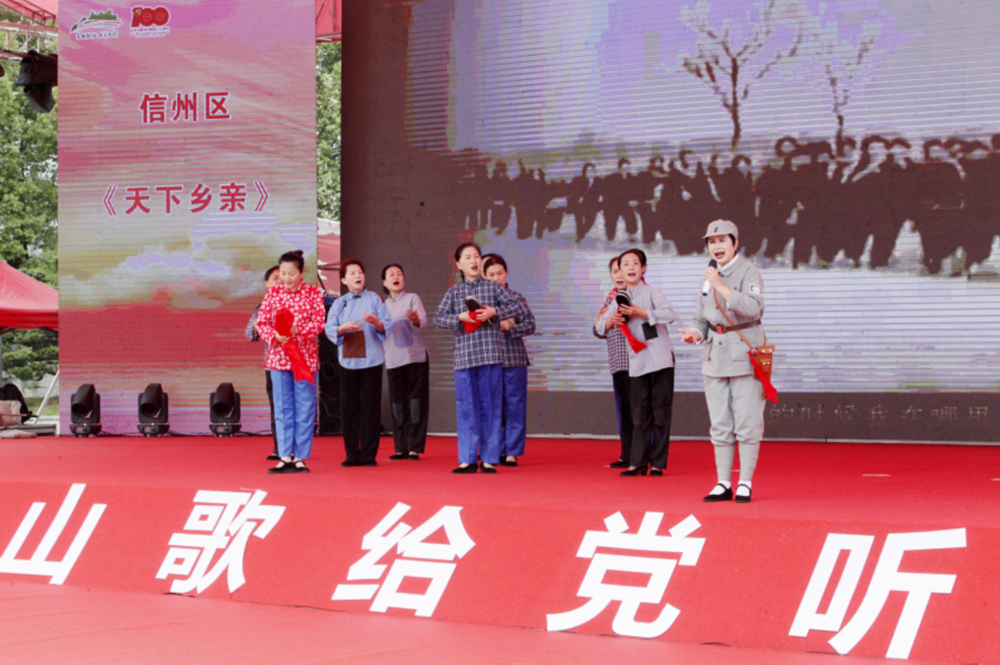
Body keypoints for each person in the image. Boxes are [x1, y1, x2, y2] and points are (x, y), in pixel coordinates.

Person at [680, 220, 767, 503]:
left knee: (747, 421)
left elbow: (754, 308)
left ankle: (745, 482)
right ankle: (722, 482)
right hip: (714, 358)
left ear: (735, 243)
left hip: (745, 355)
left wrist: (721, 285)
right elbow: (700, 317)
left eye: (722, 241)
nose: (716, 246)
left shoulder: (749, 271)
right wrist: (694, 333)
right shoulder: (708, 275)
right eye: (711, 242)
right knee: (719, 423)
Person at [433, 242, 530, 474]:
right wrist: (460, 317)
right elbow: (438, 318)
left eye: (476, 256)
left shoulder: (494, 288)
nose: (473, 261)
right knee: (466, 408)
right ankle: (467, 459)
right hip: (465, 358)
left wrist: (495, 311)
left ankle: (489, 458)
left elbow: (518, 307)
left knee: (492, 407)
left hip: (491, 355)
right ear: (458, 264)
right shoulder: (454, 292)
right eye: (467, 257)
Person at [596, 248, 677, 477]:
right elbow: (599, 326)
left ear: (643, 268)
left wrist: (641, 312)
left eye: (635, 263)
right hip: (637, 362)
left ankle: (657, 463)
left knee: (660, 412)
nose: (630, 268)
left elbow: (669, 315)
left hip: (660, 360)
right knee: (639, 413)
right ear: (620, 271)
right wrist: (610, 321)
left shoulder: (653, 293)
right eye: (625, 264)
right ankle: (638, 463)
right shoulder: (618, 298)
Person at [256, 251, 326, 474]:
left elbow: (319, 323)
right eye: (283, 273)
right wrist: (275, 335)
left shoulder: (313, 293)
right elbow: (261, 322)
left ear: (302, 272)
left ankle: (300, 457)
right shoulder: (273, 293)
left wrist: (298, 329)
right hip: (278, 359)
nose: (286, 278)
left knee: (305, 408)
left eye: (291, 273)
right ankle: (285, 456)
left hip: (305, 361)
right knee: (282, 407)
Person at [326, 259, 393, 467]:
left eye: (360, 272)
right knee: (349, 408)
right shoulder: (339, 303)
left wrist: (376, 323)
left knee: (370, 408)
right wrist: (342, 328)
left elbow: (387, 325)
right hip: (348, 359)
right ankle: (351, 454)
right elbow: (330, 328)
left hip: (372, 360)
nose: (358, 276)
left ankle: (368, 455)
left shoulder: (375, 299)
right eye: (352, 273)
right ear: (343, 280)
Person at [482, 254, 536, 466]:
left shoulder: (516, 298)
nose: (496, 278)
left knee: (514, 405)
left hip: (514, 358)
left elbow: (530, 325)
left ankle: (512, 451)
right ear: (484, 276)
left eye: (500, 273)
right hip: (487, 359)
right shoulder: (480, 301)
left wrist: (509, 327)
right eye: (491, 274)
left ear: (506, 273)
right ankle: (493, 450)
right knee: (491, 407)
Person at [380, 263, 429, 461]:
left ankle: (414, 447)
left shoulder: (412, 298)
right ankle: (400, 447)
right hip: (393, 359)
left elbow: (422, 323)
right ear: (384, 282)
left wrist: (415, 319)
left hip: (415, 357)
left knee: (416, 403)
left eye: (399, 273)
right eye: (391, 274)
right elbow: (379, 332)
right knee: (397, 404)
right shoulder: (382, 306)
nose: (396, 277)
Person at [592, 255, 633, 469]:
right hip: (618, 362)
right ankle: (626, 455)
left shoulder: (638, 295)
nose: (618, 275)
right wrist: (606, 322)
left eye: (622, 270)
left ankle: (642, 455)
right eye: (614, 271)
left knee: (640, 411)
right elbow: (597, 329)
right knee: (624, 410)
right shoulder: (610, 299)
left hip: (638, 362)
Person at [246, 265, 281, 460]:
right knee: (277, 407)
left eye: (283, 277)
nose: (280, 281)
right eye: (275, 278)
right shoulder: (261, 308)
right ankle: (279, 448)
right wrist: (258, 323)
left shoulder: (296, 304)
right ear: (267, 283)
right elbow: (250, 335)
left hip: (295, 364)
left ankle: (296, 448)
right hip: (273, 365)